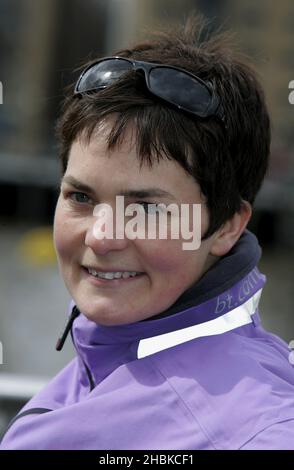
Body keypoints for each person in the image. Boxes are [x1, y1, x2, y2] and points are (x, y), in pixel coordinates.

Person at [1, 14, 294, 450]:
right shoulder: (109, 355)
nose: (101, 237)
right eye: (81, 197)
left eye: (147, 208)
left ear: (228, 226)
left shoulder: (254, 433)